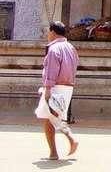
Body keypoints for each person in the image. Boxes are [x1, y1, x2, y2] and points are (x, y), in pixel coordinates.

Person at [35, 21, 79, 160]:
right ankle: (55, 150)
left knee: (51, 118)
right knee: (53, 117)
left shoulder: (54, 50)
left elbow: (51, 71)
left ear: (53, 32)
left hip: (56, 86)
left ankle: (67, 141)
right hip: (68, 86)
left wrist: (48, 89)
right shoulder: (71, 48)